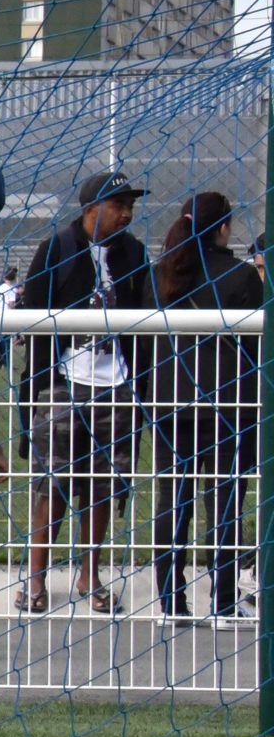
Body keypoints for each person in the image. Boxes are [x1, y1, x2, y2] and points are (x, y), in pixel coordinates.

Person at [15, 172, 148, 614]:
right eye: (119, 205)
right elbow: (33, 314)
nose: (127, 214)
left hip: (116, 385)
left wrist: (139, 383)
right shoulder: (57, 248)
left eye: (130, 206)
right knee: (52, 483)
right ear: (92, 208)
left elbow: (144, 316)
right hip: (62, 383)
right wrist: (37, 384)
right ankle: (35, 578)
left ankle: (90, 575)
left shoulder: (133, 253)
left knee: (103, 487)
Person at [145, 191, 262, 623]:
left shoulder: (158, 275)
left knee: (172, 501)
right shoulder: (241, 276)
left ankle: (171, 603)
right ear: (223, 228)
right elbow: (256, 350)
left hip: (170, 402)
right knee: (225, 502)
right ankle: (224, 602)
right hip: (228, 405)